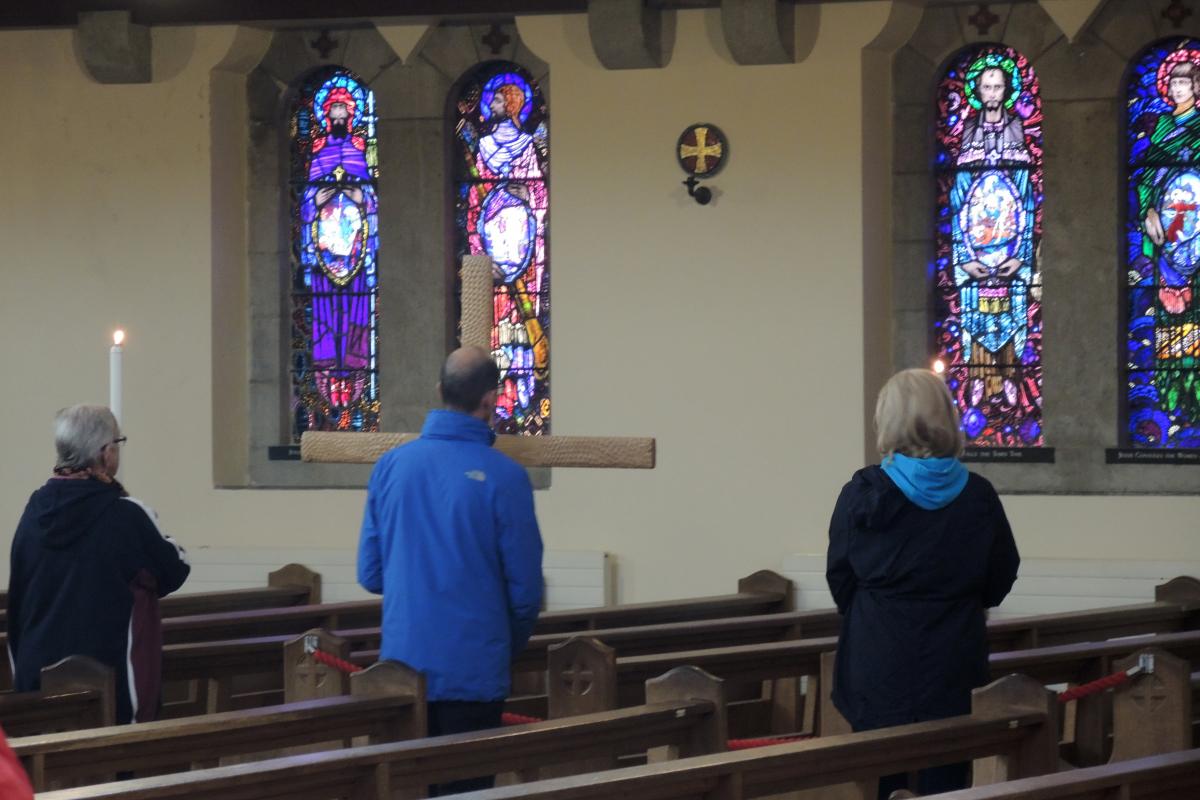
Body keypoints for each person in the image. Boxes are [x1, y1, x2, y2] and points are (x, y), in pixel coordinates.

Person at [826, 369, 1020, 799]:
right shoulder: (977, 495)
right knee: (947, 774)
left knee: (883, 771)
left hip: (879, 651)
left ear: (887, 420)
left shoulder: (864, 493)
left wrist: (873, 610)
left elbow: (839, 576)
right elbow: (1002, 572)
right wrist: (963, 601)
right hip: (953, 650)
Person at [357, 347, 544, 795]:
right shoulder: (506, 477)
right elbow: (525, 592)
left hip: (401, 667)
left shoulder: (391, 466)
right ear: (492, 399)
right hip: (473, 670)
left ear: (439, 392)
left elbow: (371, 573)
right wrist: (501, 645)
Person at [8, 405, 190, 725]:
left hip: (37, 676)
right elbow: (174, 568)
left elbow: (19, 593)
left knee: (48, 767)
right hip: (109, 677)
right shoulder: (126, 514)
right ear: (106, 454)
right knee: (113, 766)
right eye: (117, 444)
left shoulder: (33, 511)